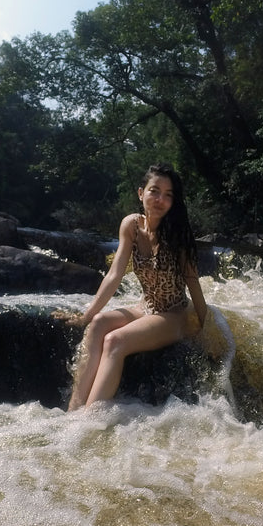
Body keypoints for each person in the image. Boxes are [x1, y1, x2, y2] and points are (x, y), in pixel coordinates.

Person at [62, 163, 208, 410]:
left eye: (168, 194)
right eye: (155, 191)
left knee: (115, 341)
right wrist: (86, 316)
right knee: (98, 324)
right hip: (146, 307)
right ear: (141, 193)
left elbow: (193, 284)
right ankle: (73, 411)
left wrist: (207, 332)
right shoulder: (131, 225)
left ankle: (87, 421)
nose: (160, 199)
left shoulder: (177, 234)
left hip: (173, 314)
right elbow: (114, 274)